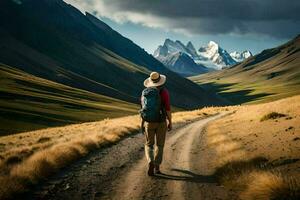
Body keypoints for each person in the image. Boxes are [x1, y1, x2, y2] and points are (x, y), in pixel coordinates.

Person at [140, 72, 172, 176]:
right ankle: (157, 167)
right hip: (161, 122)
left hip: (149, 122)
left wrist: (142, 122)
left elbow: (144, 109)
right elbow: (167, 109)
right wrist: (170, 122)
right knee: (160, 145)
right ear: (160, 81)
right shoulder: (164, 92)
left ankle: (150, 161)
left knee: (149, 144)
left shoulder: (145, 92)